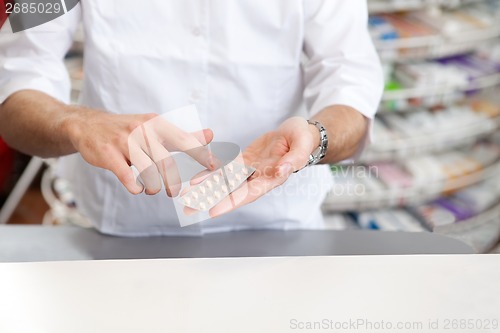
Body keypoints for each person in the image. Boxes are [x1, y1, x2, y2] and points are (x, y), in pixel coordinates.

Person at [0, 1, 383, 236]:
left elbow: (349, 78)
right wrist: (76, 122)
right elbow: (16, 75)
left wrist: (317, 136)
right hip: (120, 228)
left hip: (276, 226)